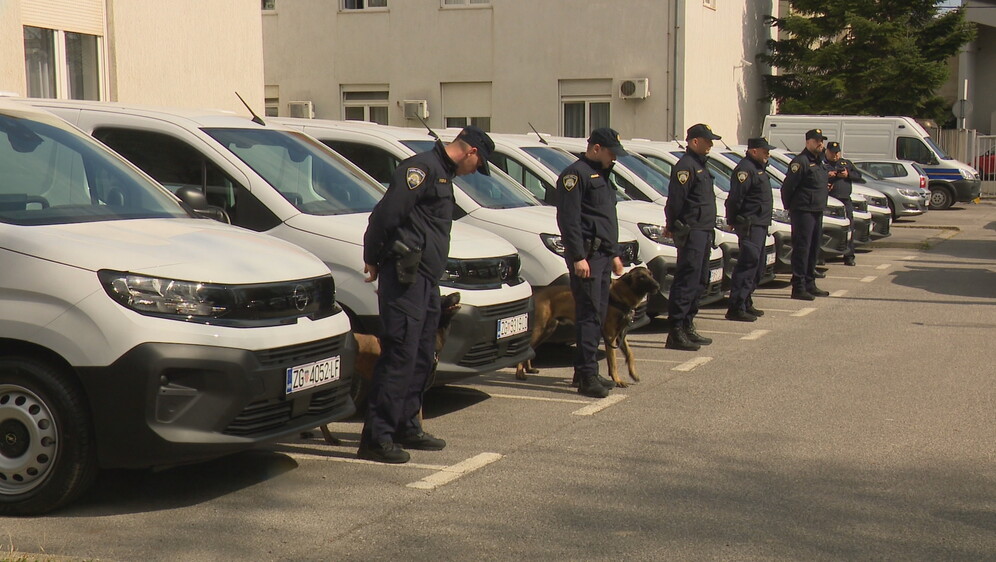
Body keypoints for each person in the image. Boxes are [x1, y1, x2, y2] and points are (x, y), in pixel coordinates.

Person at [359, 125, 494, 464]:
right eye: (478, 164)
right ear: (470, 152)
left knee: (421, 355)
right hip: (405, 277)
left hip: (425, 280)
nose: (475, 171)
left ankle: (406, 425)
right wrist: (372, 259)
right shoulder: (420, 169)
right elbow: (386, 215)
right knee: (400, 354)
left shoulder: (442, 174)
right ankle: (377, 436)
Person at [553, 127, 626, 398]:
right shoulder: (575, 175)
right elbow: (569, 220)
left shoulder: (604, 175)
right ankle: (587, 375)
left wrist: (614, 253)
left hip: (603, 256)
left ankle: (584, 370)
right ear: (596, 148)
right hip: (588, 257)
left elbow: (606, 219)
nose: (614, 158)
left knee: (598, 314)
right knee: (589, 315)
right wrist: (578, 256)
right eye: (611, 153)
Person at [664, 123, 721, 351]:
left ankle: (687, 324)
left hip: (704, 230)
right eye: (707, 140)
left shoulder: (700, 165)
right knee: (687, 280)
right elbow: (676, 200)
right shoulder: (685, 166)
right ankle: (676, 330)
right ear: (695, 141)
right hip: (692, 231)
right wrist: (672, 225)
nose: (710, 145)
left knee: (700, 280)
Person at [725, 137, 776, 322]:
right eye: (765, 151)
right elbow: (735, 198)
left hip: (759, 223)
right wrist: (732, 219)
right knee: (748, 264)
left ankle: (746, 300)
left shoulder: (758, 169)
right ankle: (736, 306)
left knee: (758, 265)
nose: (768, 154)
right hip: (749, 223)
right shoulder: (745, 169)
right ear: (754, 151)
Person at [781, 129, 831, 301]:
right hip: (803, 211)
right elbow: (788, 187)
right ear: (807, 142)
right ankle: (799, 286)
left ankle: (810, 283)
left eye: (821, 141)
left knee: (814, 248)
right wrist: (790, 207)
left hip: (817, 210)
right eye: (816, 141)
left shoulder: (820, 162)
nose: (820, 144)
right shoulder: (800, 162)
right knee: (802, 249)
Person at [824, 141, 863, 266]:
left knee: (849, 228)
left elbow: (859, 176)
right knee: (826, 229)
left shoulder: (845, 163)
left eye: (837, 153)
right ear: (827, 152)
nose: (835, 155)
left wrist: (847, 174)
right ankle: (822, 256)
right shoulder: (823, 163)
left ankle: (849, 255)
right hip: (829, 201)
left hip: (845, 200)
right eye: (832, 153)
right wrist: (828, 175)